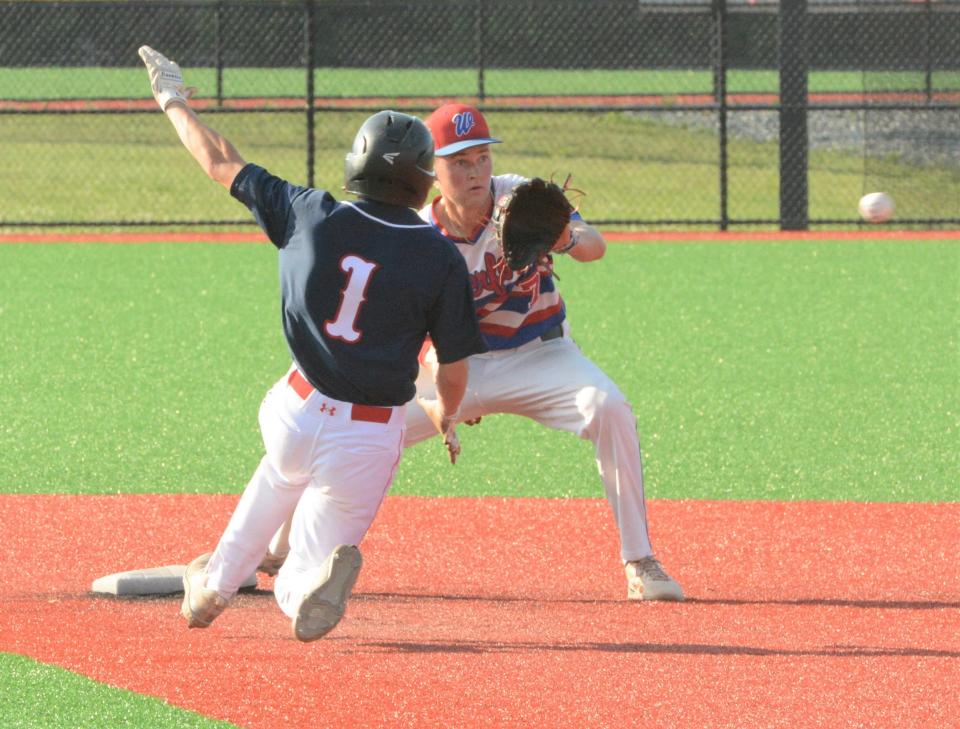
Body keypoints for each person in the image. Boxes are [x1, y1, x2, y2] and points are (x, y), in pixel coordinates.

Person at [262, 103, 684, 602]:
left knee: (608, 407)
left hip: (539, 355)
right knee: (346, 425)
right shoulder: (416, 231)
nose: (474, 171)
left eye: (481, 157)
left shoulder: (519, 196)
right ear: (433, 170)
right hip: (450, 365)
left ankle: (640, 560)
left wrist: (564, 235)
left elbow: (596, 247)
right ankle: (270, 551)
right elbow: (416, 338)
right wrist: (447, 396)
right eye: (459, 161)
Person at [137, 48, 487, 641]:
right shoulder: (439, 256)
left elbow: (220, 160)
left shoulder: (310, 213)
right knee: (311, 555)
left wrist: (173, 100)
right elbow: (454, 369)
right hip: (370, 431)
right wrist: (447, 415)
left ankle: (214, 585)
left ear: (357, 165)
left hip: (296, 408)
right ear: (424, 179)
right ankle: (303, 592)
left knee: (279, 474)